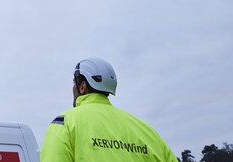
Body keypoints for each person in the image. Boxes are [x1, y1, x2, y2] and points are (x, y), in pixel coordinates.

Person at [39, 57, 176, 162]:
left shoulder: (64, 123)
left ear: (83, 87)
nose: (73, 88)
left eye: (75, 83)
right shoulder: (147, 132)